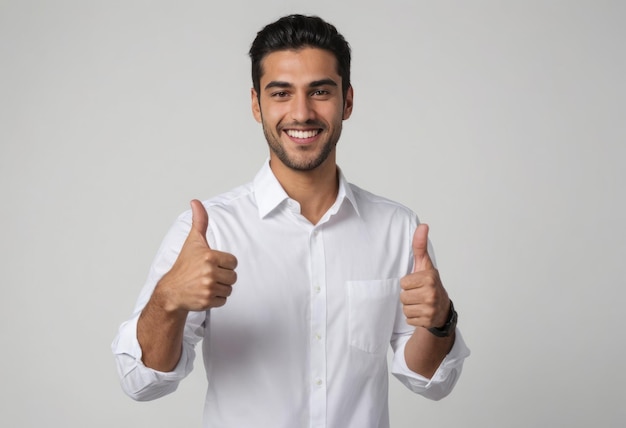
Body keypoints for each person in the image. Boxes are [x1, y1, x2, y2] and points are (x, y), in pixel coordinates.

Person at [112, 14, 470, 428]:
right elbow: (140, 381)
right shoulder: (210, 232)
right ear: (255, 104)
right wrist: (169, 299)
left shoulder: (398, 229)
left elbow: (431, 382)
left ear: (347, 101)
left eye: (320, 91)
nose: (301, 113)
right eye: (281, 93)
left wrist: (441, 320)